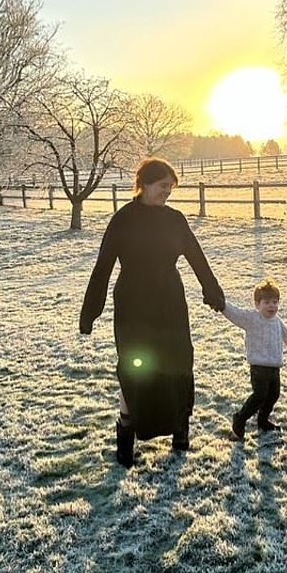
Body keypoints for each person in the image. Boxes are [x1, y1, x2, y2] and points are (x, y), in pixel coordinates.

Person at [79, 158, 224, 468]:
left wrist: (212, 290)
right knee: (135, 368)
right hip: (133, 304)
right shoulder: (122, 220)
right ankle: (126, 439)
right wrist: (91, 310)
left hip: (170, 302)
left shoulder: (176, 220)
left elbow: (197, 257)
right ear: (143, 184)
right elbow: (103, 266)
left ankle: (180, 430)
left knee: (178, 362)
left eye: (171, 188)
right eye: (162, 187)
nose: (167, 193)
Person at [221, 278, 287, 440]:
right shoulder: (252, 319)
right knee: (259, 395)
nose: (272, 306)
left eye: (275, 302)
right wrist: (222, 304)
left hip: (274, 367)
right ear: (257, 304)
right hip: (258, 367)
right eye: (266, 302)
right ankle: (239, 419)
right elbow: (235, 313)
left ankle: (263, 420)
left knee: (273, 395)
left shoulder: (277, 321)